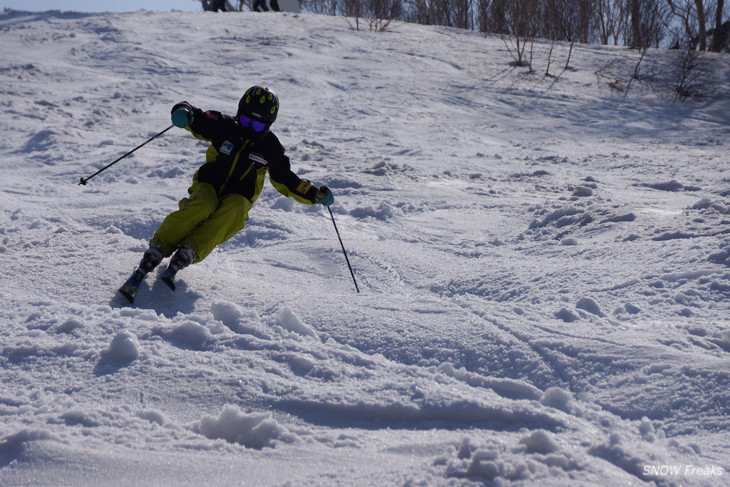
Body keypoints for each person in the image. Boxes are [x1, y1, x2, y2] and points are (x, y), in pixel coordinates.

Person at [119, 86, 334, 303]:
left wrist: (314, 194)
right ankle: (159, 248)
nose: (250, 127)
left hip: (239, 194)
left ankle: (189, 251)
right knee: (203, 205)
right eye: (246, 121)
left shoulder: (271, 148)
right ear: (239, 113)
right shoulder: (224, 126)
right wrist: (184, 112)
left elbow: (286, 179)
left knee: (235, 211)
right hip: (210, 182)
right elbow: (197, 116)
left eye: (257, 125)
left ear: (268, 125)